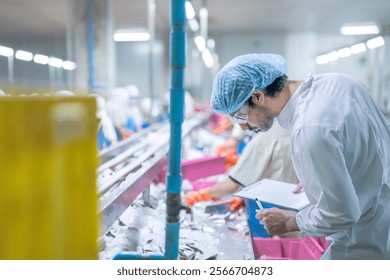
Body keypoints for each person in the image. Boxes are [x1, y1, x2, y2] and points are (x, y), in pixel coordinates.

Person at [210, 53, 390, 259]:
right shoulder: (341, 82)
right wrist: (323, 175)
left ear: (258, 96)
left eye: (240, 115)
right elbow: (369, 144)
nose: (243, 126)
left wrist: (290, 222)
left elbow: (341, 214)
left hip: (360, 244)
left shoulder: (308, 129)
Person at [185, 120, 298, 211]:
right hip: (292, 203)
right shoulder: (283, 127)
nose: (242, 126)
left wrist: (199, 197)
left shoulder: (263, 139)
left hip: (280, 210)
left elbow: (231, 185)